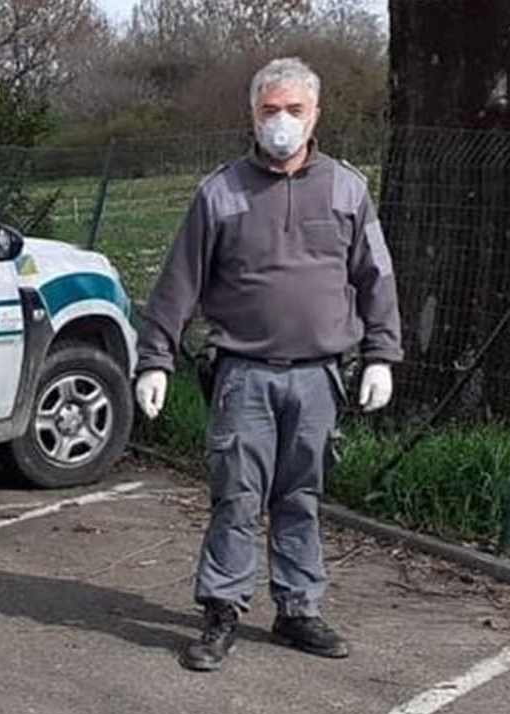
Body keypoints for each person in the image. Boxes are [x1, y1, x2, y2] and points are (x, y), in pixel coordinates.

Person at [133, 58, 403, 672]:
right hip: (243, 373)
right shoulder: (220, 192)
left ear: (316, 115)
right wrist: (154, 359)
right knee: (236, 495)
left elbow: (376, 276)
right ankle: (222, 609)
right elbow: (179, 282)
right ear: (252, 115)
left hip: (318, 375)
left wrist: (381, 353)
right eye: (269, 110)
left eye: (294, 110)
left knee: (300, 495)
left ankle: (297, 609)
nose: (281, 122)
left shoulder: (346, 189)